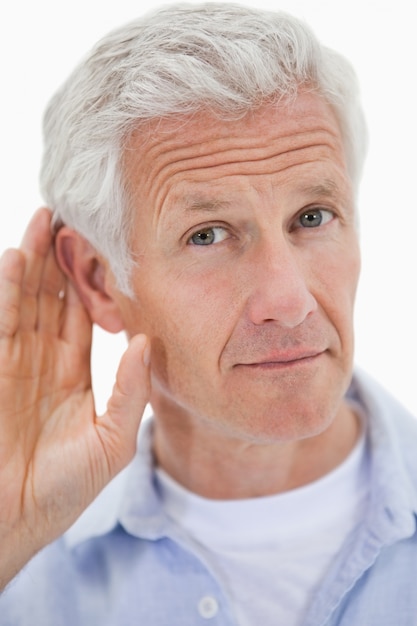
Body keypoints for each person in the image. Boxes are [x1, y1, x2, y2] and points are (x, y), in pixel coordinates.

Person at [0, 3, 416, 624]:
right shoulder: (22, 557)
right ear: (99, 280)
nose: (289, 301)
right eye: (208, 234)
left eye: (312, 217)